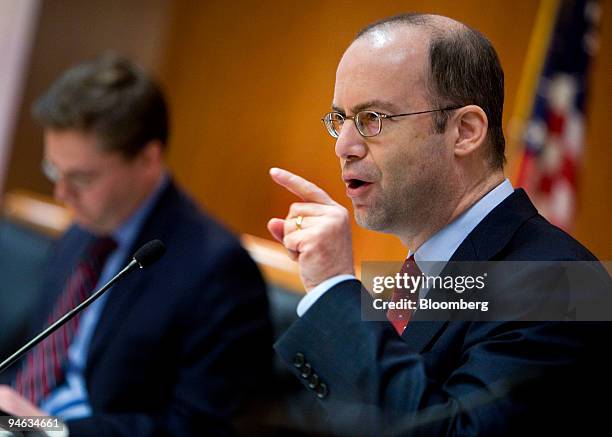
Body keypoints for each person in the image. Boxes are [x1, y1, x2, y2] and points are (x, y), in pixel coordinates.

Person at [268, 13, 611, 435]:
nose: (344, 146)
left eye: (372, 118)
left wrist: (333, 289)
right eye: (341, 119)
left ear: (464, 131)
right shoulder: (429, 268)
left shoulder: (559, 283)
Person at [0, 54, 273, 436]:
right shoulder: (82, 231)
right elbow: (37, 361)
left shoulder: (218, 269)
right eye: (53, 171)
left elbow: (198, 426)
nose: (61, 193)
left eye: (81, 178)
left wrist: (51, 430)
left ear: (148, 158)